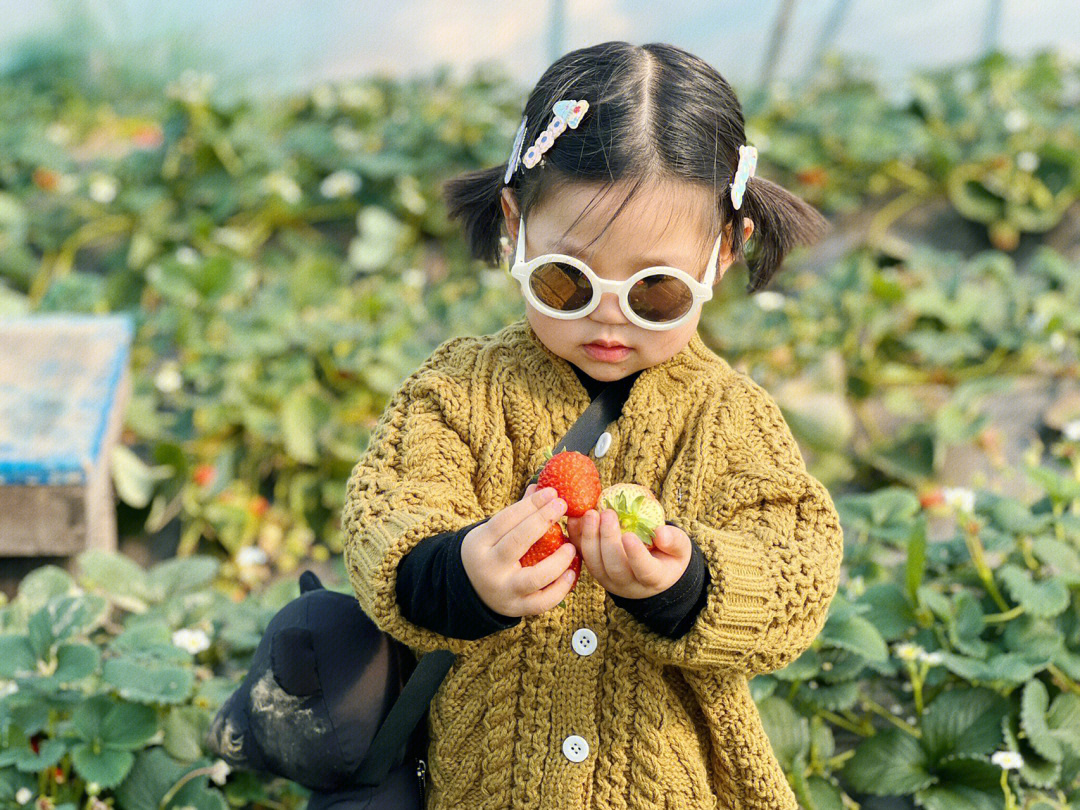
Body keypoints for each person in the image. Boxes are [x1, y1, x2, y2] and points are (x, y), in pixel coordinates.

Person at [341, 40, 845, 810]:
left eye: (657, 292)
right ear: (514, 227)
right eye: (567, 280)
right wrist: (458, 573)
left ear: (723, 253)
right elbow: (385, 519)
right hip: (486, 786)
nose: (609, 316)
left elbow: (795, 577)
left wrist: (688, 585)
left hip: (670, 787)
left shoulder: (732, 418)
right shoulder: (457, 390)